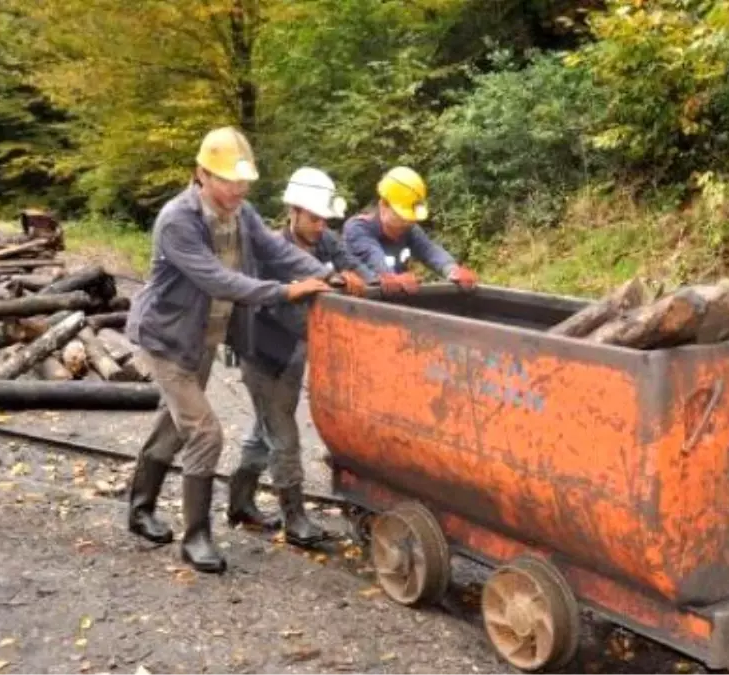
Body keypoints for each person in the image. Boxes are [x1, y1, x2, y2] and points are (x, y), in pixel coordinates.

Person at [124, 126, 336, 575]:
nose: (238, 190)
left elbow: (275, 250)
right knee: (204, 432)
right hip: (167, 339)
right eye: (228, 181)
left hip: (203, 339)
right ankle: (195, 536)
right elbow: (219, 280)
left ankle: (139, 509)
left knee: (176, 425)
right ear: (202, 174)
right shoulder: (177, 220)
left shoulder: (243, 212)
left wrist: (325, 273)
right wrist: (286, 291)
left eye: (243, 182)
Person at [227, 167, 376, 548]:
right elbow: (282, 308)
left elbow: (357, 270)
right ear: (293, 211)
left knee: (264, 430)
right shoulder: (269, 250)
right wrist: (333, 284)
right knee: (283, 432)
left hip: (294, 352)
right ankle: (294, 519)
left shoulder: (326, 241)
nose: (320, 225)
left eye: (324, 218)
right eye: (313, 218)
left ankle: (240, 503)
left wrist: (368, 281)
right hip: (262, 351)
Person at [343, 166, 479, 293]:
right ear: (384, 205)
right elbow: (376, 262)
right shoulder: (358, 228)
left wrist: (452, 270)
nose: (407, 222)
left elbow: (429, 250)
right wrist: (391, 276)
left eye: (410, 218)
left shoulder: (408, 227)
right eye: (402, 216)